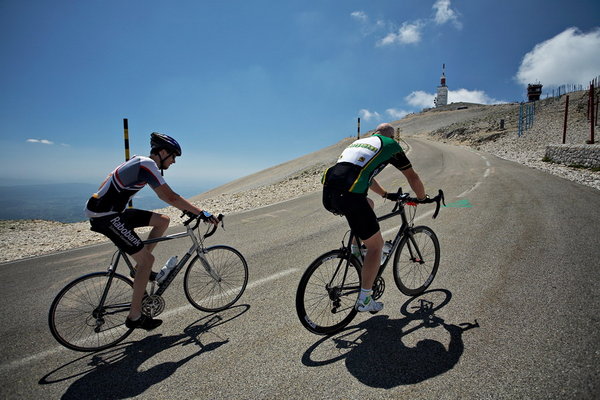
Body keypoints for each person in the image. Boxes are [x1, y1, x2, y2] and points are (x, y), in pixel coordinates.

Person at [85, 132, 218, 330]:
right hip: (104, 216)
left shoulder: (138, 161)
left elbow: (109, 179)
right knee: (147, 260)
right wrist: (202, 213)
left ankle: (141, 272)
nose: (173, 161)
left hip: (110, 211)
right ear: (162, 152)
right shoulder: (147, 165)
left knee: (162, 221)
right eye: (173, 156)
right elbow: (169, 196)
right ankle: (135, 316)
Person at [322, 123, 427, 312]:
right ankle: (364, 299)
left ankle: (355, 249)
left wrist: (385, 194)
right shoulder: (390, 145)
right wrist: (422, 198)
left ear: (375, 133)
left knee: (368, 205)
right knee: (376, 246)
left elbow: (367, 176)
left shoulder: (360, 143)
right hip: (350, 197)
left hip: (329, 195)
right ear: (392, 137)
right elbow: (412, 176)